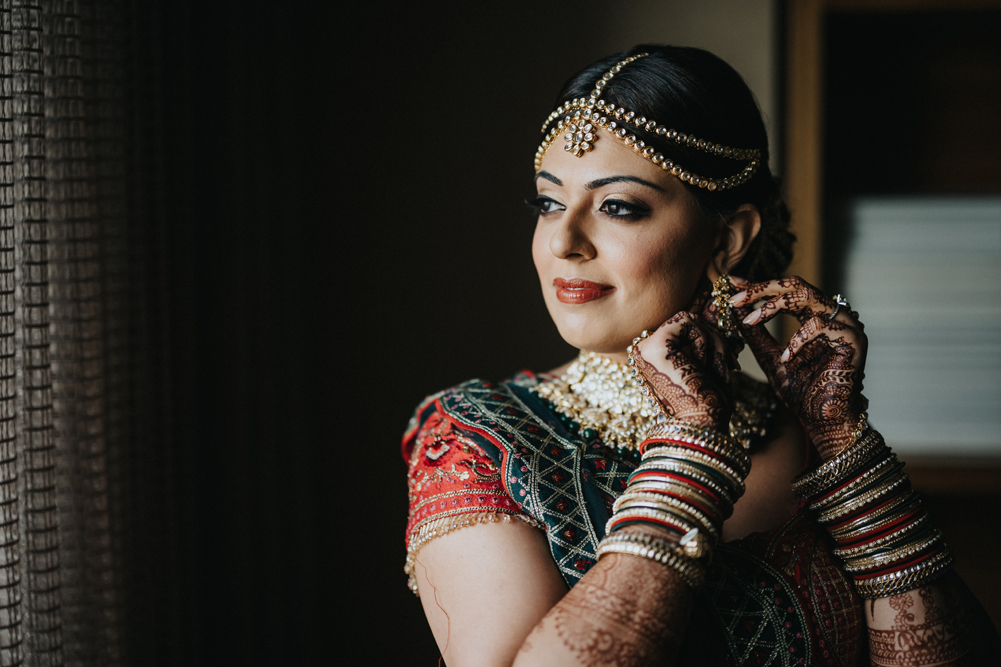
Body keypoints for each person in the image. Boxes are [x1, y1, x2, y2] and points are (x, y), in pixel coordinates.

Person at [402, 45, 998, 666]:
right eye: (549, 203)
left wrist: (844, 442)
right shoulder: (475, 436)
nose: (563, 240)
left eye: (618, 207)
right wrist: (688, 454)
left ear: (728, 238)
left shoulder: (806, 438)